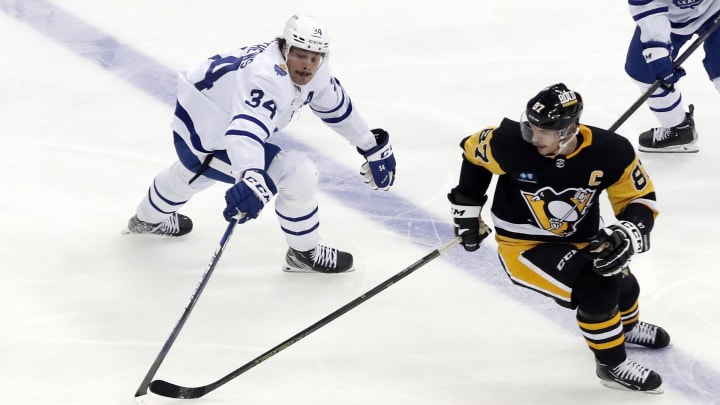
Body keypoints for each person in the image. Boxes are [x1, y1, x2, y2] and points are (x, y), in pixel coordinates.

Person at [124, 14, 396, 274]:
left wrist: (370, 145)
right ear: (285, 47)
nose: (308, 65)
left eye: (315, 58)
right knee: (296, 172)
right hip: (204, 131)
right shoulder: (266, 78)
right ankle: (304, 254)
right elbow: (244, 131)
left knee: (196, 173)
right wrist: (251, 175)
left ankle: (147, 219)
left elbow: (334, 104)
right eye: (301, 55)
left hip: (208, 115)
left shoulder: (314, 68)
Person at [447, 83, 670, 393]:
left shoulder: (610, 151)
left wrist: (630, 229)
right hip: (525, 246)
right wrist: (466, 209)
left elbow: (639, 197)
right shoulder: (510, 144)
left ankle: (626, 328)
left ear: (569, 130)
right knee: (598, 287)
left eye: (544, 131)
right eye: (531, 127)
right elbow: (472, 153)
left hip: (582, 238)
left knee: (624, 282)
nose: (533, 137)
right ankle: (611, 365)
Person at [624, 0, 720, 153]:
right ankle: (678, 128)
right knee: (644, 71)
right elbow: (647, 5)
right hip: (670, 17)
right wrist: (657, 52)